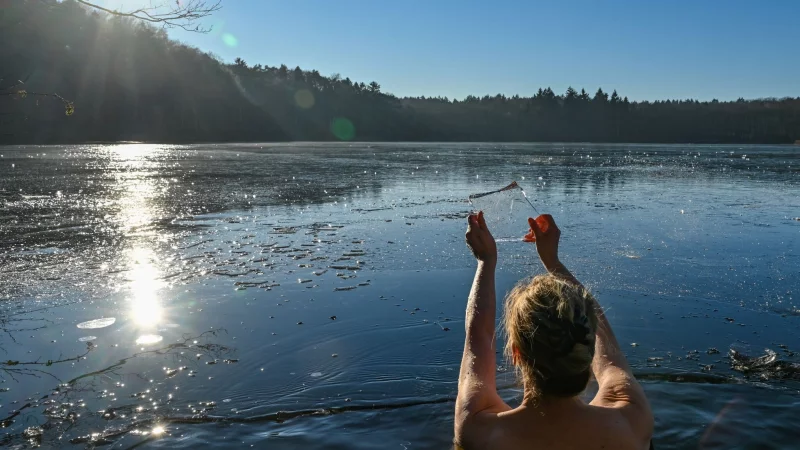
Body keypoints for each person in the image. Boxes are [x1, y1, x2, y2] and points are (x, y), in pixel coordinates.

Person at [455, 211, 653, 450]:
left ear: (517, 353)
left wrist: (485, 261)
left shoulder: (481, 432)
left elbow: (479, 339)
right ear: (588, 351)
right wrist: (552, 261)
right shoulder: (631, 421)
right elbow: (606, 345)